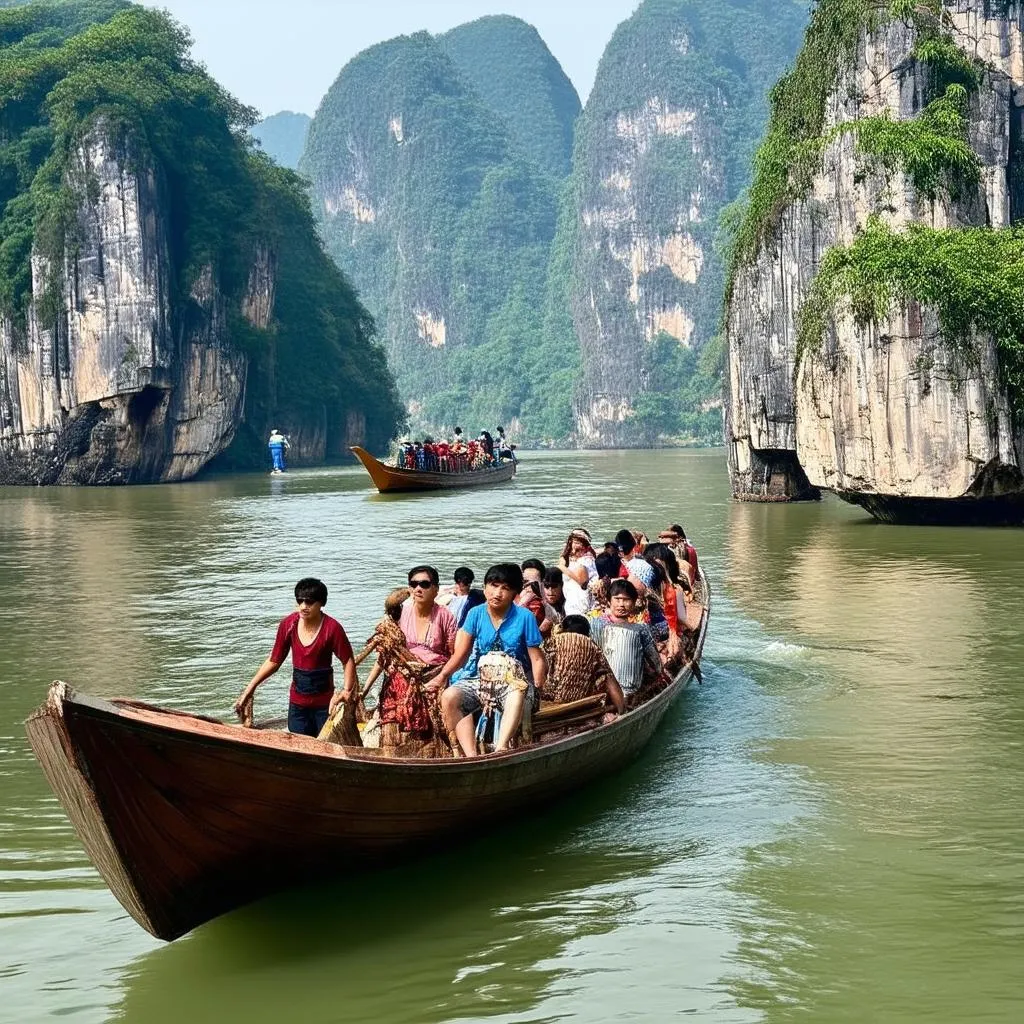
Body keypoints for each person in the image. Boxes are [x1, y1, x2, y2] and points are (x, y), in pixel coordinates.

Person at [432, 563, 547, 756]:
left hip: (515, 680)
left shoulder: (525, 617)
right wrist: (442, 676)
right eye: (493, 585)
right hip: (483, 678)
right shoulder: (475, 613)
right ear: (485, 588)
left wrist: (537, 686)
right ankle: (470, 756)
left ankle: (501, 748)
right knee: (450, 696)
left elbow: (537, 659)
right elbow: (461, 655)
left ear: (514, 594)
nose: (498, 593)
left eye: (505, 588)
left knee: (518, 690)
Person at [235, 578, 357, 738]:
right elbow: (274, 660)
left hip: (325, 705)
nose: (303, 606)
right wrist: (250, 689)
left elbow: (347, 660)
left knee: (325, 745)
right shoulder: (288, 625)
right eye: (300, 601)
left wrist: (346, 691)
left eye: (309, 602)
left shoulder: (332, 628)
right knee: (299, 744)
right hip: (298, 705)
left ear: (321, 603)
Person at [377, 566, 457, 740]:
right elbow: (386, 650)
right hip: (404, 670)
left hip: (434, 672)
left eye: (424, 584)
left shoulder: (445, 616)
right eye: (414, 584)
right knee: (397, 685)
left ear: (435, 589)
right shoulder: (401, 613)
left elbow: (454, 654)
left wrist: (442, 677)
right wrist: (364, 689)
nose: (418, 588)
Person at [589, 580, 662, 698]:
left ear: (633, 603)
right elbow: (656, 664)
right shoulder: (595, 625)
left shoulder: (640, 629)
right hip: (608, 688)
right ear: (609, 601)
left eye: (626, 600)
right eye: (617, 599)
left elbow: (654, 660)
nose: (621, 604)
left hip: (617, 689)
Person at [542, 615, 625, 714]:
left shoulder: (552, 641)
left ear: (563, 629)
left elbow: (540, 666)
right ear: (587, 632)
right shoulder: (593, 647)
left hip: (548, 702)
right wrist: (622, 711)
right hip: (579, 705)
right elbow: (609, 680)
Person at [558, 528, 598, 615]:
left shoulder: (586, 560)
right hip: (571, 599)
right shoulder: (569, 558)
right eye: (575, 542)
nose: (577, 545)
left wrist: (562, 568)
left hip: (581, 600)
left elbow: (583, 583)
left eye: (580, 543)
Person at [517, 558, 547, 630]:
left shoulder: (538, 605)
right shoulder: (515, 596)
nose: (529, 587)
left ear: (542, 583)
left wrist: (522, 604)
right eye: (526, 582)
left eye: (534, 583)